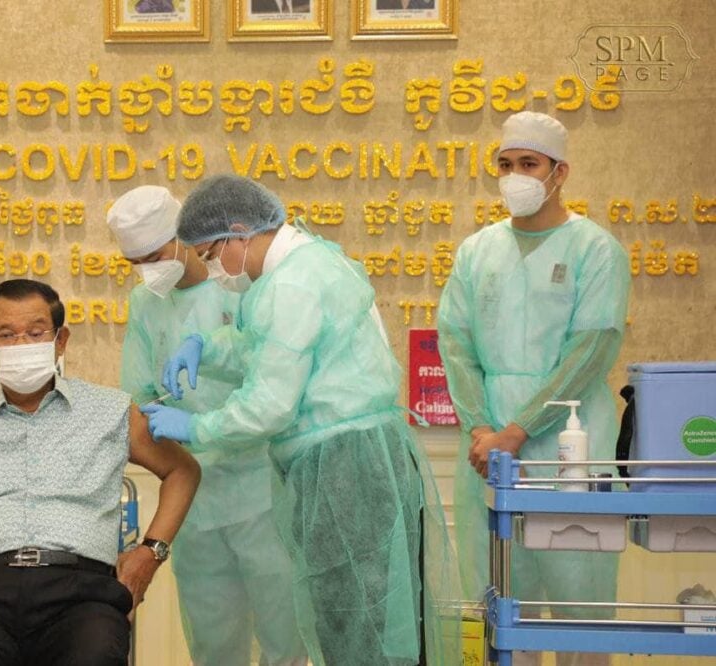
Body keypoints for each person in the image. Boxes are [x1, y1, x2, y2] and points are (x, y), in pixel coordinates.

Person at [141, 175, 459, 666]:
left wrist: (197, 429)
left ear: (240, 232)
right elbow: (261, 347)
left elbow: (269, 405)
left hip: (345, 469)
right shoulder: (299, 267)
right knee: (354, 618)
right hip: (350, 462)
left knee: (355, 621)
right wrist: (204, 347)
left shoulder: (293, 282)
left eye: (209, 253)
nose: (212, 268)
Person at [0, 278, 200, 666]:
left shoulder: (110, 410)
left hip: (81, 596)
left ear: (60, 340)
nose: (22, 344)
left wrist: (150, 553)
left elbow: (183, 471)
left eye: (36, 332)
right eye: (6, 334)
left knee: (95, 656)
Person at [437, 111, 631, 666]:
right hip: (487, 451)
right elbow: (456, 343)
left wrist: (517, 431)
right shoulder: (477, 252)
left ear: (559, 172)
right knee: (501, 601)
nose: (515, 174)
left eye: (529, 163)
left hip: (570, 447)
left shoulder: (596, 250)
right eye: (505, 164)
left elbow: (589, 352)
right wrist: (482, 428)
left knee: (579, 602)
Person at [107, 186, 307, 666]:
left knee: (284, 633)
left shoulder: (242, 284)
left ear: (183, 236)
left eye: (154, 255)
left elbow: (271, 391)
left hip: (262, 488)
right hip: (193, 495)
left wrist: (202, 425)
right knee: (214, 640)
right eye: (135, 261)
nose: (147, 270)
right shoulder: (145, 303)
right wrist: (157, 418)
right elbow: (139, 390)